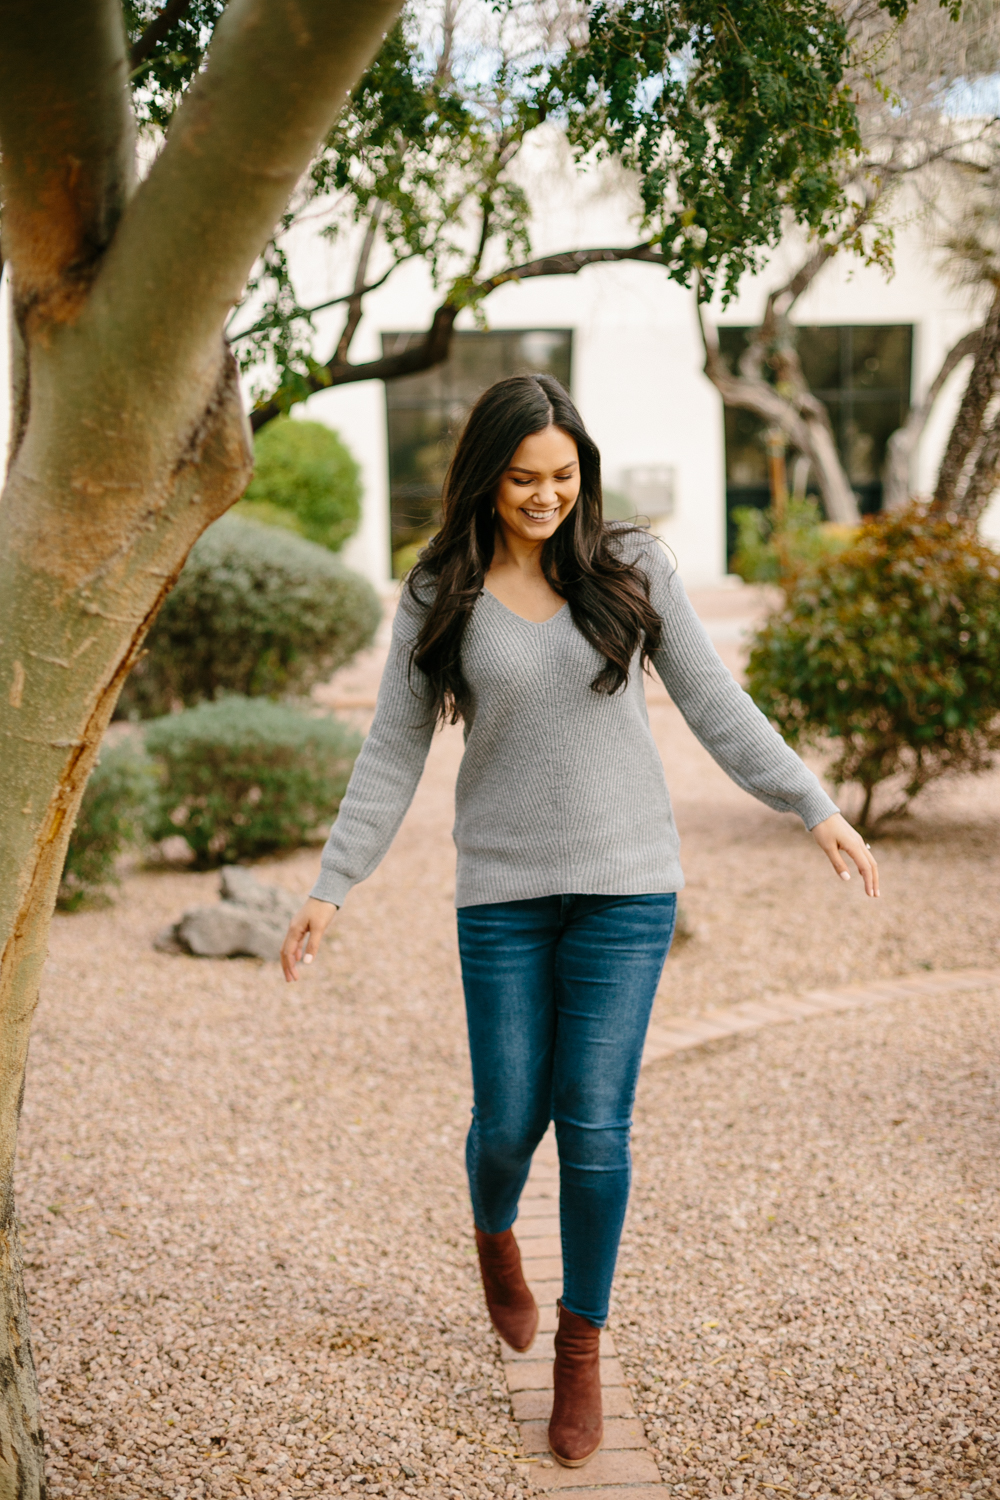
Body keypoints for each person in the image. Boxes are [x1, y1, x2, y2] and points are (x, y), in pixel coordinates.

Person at [280, 374, 878, 1469]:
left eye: (563, 476)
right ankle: (494, 1239)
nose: (546, 495)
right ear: (485, 478)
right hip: (501, 895)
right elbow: (391, 750)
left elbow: (712, 697)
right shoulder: (439, 590)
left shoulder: (631, 567)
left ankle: (579, 1350)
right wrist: (332, 883)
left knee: (594, 1123)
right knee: (508, 1122)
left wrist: (813, 803)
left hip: (627, 886)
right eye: (523, 479)